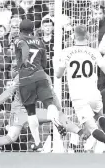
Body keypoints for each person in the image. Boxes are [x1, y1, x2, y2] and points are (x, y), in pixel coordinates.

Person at [0, 73, 89, 152]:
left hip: (33, 111)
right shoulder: (21, 77)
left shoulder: (45, 79)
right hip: (18, 111)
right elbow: (9, 91)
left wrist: (59, 110)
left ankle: (79, 132)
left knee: (58, 115)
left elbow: (52, 96)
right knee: (11, 137)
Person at [56, 25, 105, 153]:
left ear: (74, 36)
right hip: (93, 92)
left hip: (78, 96)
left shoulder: (66, 52)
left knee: (91, 129)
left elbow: (58, 75)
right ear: (87, 36)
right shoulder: (94, 52)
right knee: (99, 115)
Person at [13, 19, 67, 151]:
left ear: (20, 29)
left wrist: (23, 62)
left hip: (26, 79)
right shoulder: (40, 42)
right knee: (50, 104)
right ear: (32, 29)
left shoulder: (18, 39)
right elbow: (45, 63)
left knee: (31, 113)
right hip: (41, 76)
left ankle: (38, 143)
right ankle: (56, 121)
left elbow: (24, 47)